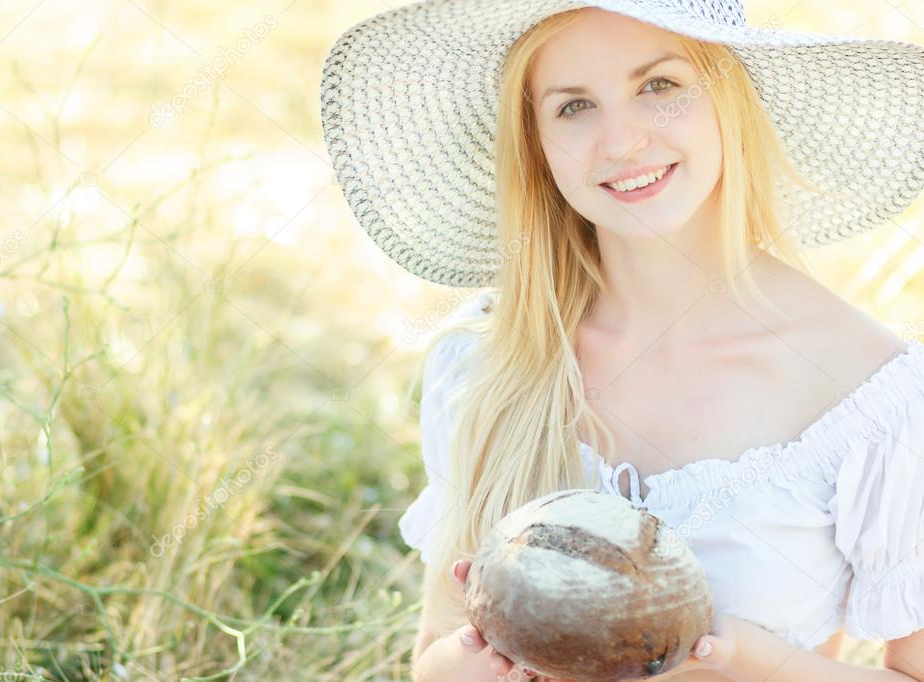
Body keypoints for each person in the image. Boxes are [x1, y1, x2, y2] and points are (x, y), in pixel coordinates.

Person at [320, 1, 924, 680]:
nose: (620, 142)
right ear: (537, 147)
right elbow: (435, 644)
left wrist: (737, 651)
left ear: (727, 95)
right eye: (573, 107)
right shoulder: (488, 360)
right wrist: (462, 666)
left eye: (657, 87)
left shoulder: (870, 395)